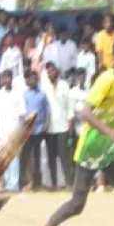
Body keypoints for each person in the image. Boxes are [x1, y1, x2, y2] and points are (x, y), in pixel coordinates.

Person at [38, 36, 114, 226]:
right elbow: (84, 111)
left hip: (110, 149)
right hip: (91, 146)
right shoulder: (106, 80)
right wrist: (111, 132)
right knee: (77, 204)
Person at [41, 61, 73, 189]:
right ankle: (53, 183)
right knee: (51, 157)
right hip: (49, 128)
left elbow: (70, 105)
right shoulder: (44, 87)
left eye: (52, 71)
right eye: (48, 71)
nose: (50, 73)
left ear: (57, 72)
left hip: (63, 126)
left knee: (64, 156)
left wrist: (70, 122)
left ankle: (69, 183)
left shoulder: (64, 85)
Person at [0, 70, 24, 192]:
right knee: (3, 160)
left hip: (14, 131)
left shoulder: (18, 93)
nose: (6, 80)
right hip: (2, 131)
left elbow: (22, 115)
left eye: (8, 78)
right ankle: (6, 184)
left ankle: (14, 185)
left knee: (14, 159)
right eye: (4, 78)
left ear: (12, 79)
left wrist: (21, 133)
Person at [20, 70, 49, 191]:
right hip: (28, 131)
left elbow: (47, 112)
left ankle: (38, 183)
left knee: (38, 158)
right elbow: (22, 113)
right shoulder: (25, 95)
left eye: (35, 79)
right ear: (28, 81)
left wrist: (46, 126)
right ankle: (29, 182)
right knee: (27, 157)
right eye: (31, 79)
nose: (34, 81)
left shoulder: (42, 95)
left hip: (39, 130)